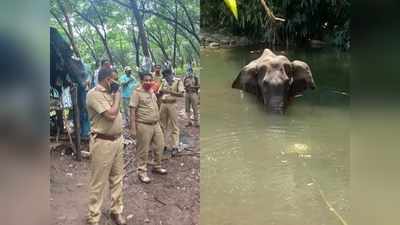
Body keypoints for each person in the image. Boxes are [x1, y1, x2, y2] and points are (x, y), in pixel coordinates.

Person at [86, 68, 126, 225]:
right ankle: (93, 217)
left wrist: (115, 96)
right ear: (108, 80)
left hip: (117, 141)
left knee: (117, 178)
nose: (117, 84)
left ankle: (116, 211)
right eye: (115, 80)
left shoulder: (110, 93)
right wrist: (117, 97)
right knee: (98, 181)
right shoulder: (93, 95)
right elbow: (110, 115)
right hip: (102, 142)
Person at [130, 72, 167, 184]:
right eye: (145, 80)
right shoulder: (137, 93)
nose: (148, 82)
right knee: (143, 150)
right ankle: (142, 172)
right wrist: (132, 128)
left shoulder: (151, 91)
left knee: (160, 146)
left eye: (150, 80)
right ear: (141, 81)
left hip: (155, 124)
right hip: (143, 125)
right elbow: (132, 110)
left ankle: (157, 166)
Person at [159, 68, 184, 156]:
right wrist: (161, 92)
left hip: (172, 104)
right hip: (163, 104)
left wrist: (170, 91)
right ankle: (164, 145)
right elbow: (160, 91)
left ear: (170, 74)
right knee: (162, 125)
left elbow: (181, 94)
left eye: (166, 76)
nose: (165, 78)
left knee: (174, 125)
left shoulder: (177, 81)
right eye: (164, 77)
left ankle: (175, 146)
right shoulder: (163, 81)